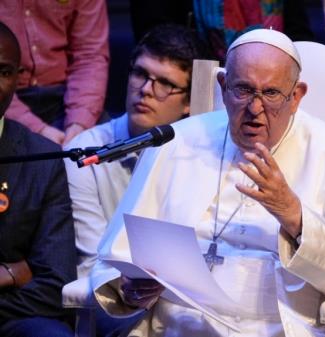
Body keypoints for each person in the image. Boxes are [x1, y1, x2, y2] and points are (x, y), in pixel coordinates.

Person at [89, 28, 325, 336]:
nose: (255, 109)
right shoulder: (177, 144)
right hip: (179, 329)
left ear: (296, 96)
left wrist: (295, 217)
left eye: (271, 93)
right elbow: (115, 258)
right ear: (223, 85)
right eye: (243, 90)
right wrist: (129, 290)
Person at [64, 24, 202, 337]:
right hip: (112, 302)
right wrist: (128, 287)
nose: (147, 90)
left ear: (188, 104)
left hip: (185, 307)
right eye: (141, 74)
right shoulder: (82, 155)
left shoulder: (199, 157)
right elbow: (91, 258)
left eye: (165, 83)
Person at [0, 22, 77, 337]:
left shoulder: (43, 159)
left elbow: (55, 284)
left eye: (3, 72)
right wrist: (13, 271)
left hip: (12, 317)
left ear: (18, 79)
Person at [0, 0, 109, 145]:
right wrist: (39, 130)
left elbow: (90, 54)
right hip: (8, 97)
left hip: (66, 96)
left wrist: (78, 124)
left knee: (106, 145)